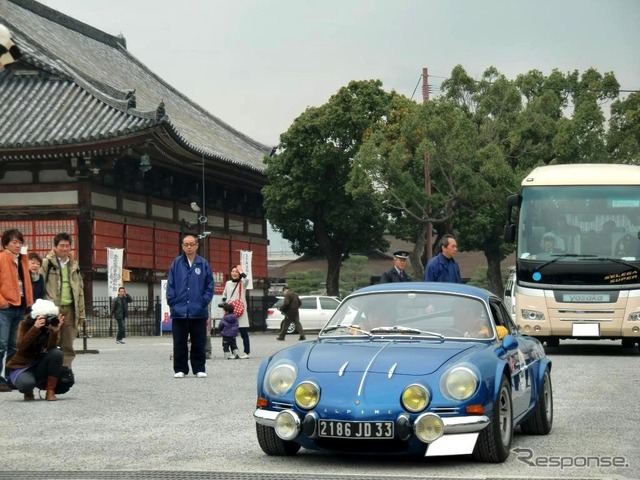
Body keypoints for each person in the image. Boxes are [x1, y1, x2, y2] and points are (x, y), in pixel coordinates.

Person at [167, 234, 214, 378]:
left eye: (191, 244)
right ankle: (180, 369)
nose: (189, 247)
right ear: (182, 246)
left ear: (197, 245)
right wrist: (173, 302)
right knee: (179, 341)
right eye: (186, 244)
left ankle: (199, 368)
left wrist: (203, 301)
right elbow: (171, 285)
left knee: (199, 341)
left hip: (198, 309)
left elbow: (209, 285)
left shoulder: (203, 263)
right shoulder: (176, 263)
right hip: (179, 309)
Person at [41, 232, 86, 370]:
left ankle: (66, 369)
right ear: (55, 247)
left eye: (67, 246)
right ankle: (51, 370)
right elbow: (39, 285)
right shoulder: (47, 263)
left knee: (68, 341)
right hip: (53, 307)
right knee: (52, 340)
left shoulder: (74, 265)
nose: (64, 248)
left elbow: (80, 290)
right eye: (61, 245)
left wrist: (81, 311)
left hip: (70, 307)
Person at [5, 299, 64, 401]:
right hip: (23, 366)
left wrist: (54, 332)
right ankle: (28, 391)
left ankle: (50, 390)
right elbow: (21, 347)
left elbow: (51, 349)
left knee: (57, 353)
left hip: (40, 364)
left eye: (50, 316)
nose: (47, 319)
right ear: (37, 316)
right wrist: (35, 328)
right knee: (26, 384)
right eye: (45, 316)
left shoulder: (51, 326)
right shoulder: (25, 324)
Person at [0, 229, 33, 392]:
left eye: (20, 242)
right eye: (14, 242)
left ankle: (10, 376)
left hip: (20, 307)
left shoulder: (23, 260)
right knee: (1, 344)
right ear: (5, 243)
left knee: (14, 345)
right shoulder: (1, 258)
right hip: (5, 308)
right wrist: (2, 302)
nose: (18, 245)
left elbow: (26, 283)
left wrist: (29, 302)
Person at [221, 264, 250, 358]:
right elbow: (224, 294)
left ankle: (246, 352)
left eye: (236, 272)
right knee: (230, 333)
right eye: (233, 271)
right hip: (230, 312)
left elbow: (247, 279)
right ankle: (234, 352)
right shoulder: (228, 283)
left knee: (244, 333)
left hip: (241, 311)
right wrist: (224, 304)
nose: (234, 273)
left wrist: (241, 271)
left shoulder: (242, 283)